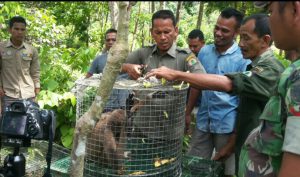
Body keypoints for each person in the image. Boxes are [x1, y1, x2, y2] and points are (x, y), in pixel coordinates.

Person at [147, 2, 300, 176]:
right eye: (217, 28)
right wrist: (188, 111)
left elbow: (229, 84)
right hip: (208, 123)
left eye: (246, 38)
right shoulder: (223, 56)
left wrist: (177, 74)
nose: (241, 44)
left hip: (231, 130)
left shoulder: (272, 69)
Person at [121, 9, 206, 140]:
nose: (162, 37)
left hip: (170, 132)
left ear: (176, 31)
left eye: (167, 32)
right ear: (152, 33)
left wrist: (176, 74)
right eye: (158, 32)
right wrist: (127, 67)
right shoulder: (144, 53)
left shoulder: (184, 56)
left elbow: (202, 79)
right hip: (141, 127)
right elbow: (112, 66)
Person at [185, 8, 250, 177]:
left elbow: (245, 101)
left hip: (227, 126)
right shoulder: (205, 51)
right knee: (194, 166)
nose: (218, 33)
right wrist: (187, 113)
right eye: (216, 27)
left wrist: (234, 138)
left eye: (225, 30)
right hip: (203, 122)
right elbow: (196, 84)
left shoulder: (243, 58)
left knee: (227, 171)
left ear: (236, 32)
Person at [0, 16, 40, 112]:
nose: (20, 32)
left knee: (30, 125)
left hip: (28, 94)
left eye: (22, 29)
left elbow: (35, 71)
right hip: (8, 95)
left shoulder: (31, 50)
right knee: (9, 125)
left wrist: (37, 88)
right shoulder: (1, 48)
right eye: (16, 29)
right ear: (10, 30)